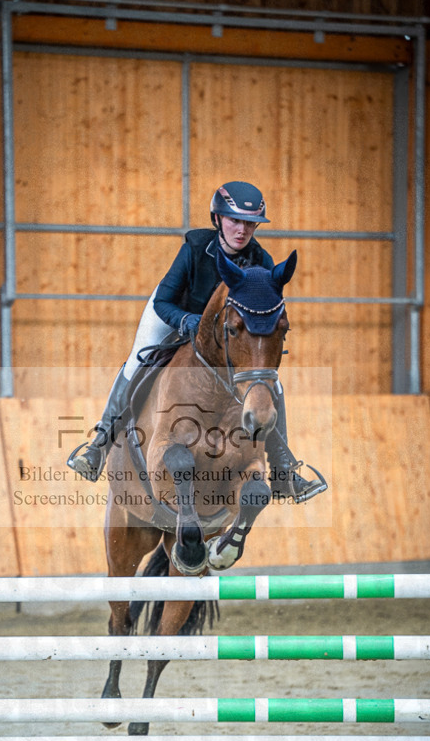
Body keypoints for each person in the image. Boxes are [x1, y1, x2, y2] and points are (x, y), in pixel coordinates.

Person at [67, 180, 327, 502]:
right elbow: (163, 301)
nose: (242, 230)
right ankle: (99, 445)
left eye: (250, 223)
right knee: (137, 360)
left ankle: (284, 471)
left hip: (226, 337)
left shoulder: (262, 261)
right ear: (217, 219)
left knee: (270, 384)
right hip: (177, 315)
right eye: (235, 220)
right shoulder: (194, 247)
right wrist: (186, 320)